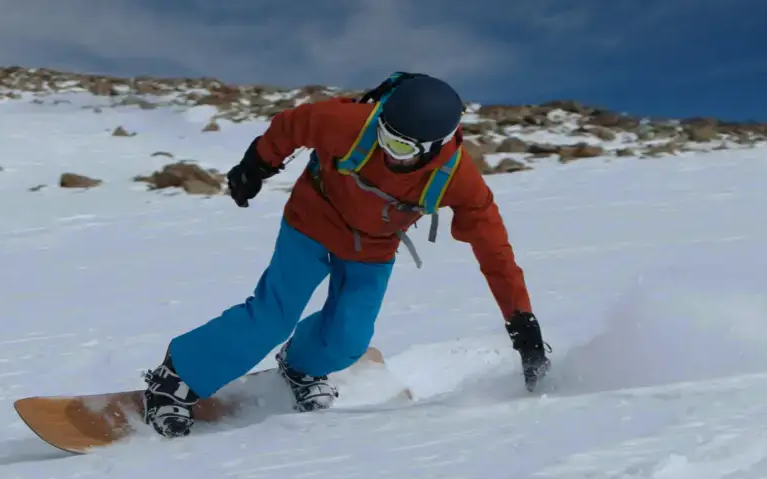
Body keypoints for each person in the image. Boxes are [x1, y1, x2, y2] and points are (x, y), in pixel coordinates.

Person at [138, 72, 551, 438]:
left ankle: (301, 365)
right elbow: (293, 125)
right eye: (386, 135)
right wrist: (257, 164)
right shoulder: (350, 124)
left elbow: (495, 253)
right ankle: (176, 378)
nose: (389, 150)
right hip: (311, 224)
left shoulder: (459, 181)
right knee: (271, 318)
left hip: (372, 249)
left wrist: (521, 321)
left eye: (403, 147)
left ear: (434, 146)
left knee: (348, 340)